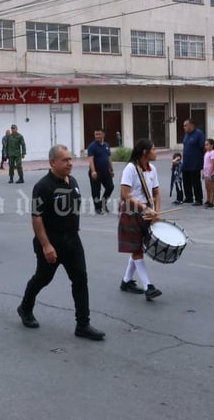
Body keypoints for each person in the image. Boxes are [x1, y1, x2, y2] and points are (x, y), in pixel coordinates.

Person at [16, 145, 105, 341]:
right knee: (43, 278)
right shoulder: (43, 186)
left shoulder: (72, 181)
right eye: (65, 160)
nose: (70, 163)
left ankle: (83, 324)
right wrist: (47, 245)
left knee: (80, 279)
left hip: (73, 240)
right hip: (51, 242)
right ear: (52, 162)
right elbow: (36, 218)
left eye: (70, 159)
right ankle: (25, 308)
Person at [117, 139, 163, 301]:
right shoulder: (130, 169)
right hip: (132, 212)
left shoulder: (152, 169)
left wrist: (156, 212)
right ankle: (148, 286)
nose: (156, 152)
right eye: (154, 149)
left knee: (138, 248)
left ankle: (126, 281)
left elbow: (156, 193)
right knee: (137, 250)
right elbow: (125, 195)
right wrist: (144, 208)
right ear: (145, 152)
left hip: (147, 212)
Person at [87, 129, 114, 214]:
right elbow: (91, 160)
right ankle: (97, 208)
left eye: (99, 134)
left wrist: (111, 169)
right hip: (96, 171)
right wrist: (93, 171)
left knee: (110, 187)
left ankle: (103, 203)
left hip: (105, 171)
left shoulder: (106, 145)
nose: (97, 136)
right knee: (96, 190)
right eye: (96, 134)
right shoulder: (92, 146)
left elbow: (109, 158)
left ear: (103, 135)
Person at [181, 120, 204, 206]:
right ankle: (188, 197)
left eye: (185, 125)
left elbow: (203, 147)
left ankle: (198, 199)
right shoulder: (186, 135)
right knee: (186, 180)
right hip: (186, 161)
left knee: (196, 181)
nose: (184, 127)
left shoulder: (199, 134)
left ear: (191, 125)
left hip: (195, 162)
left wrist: (201, 160)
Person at [203, 138, 214, 208]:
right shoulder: (206, 153)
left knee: (211, 188)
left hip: (211, 174)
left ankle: (211, 202)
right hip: (206, 173)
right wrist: (204, 172)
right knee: (207, 187)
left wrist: (210, 173)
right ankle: (208, 199)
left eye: (207, 145)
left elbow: (212, 164)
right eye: (205, 145)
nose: (206, 146)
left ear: (212, 145)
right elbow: (205, 164)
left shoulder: (213, 153)